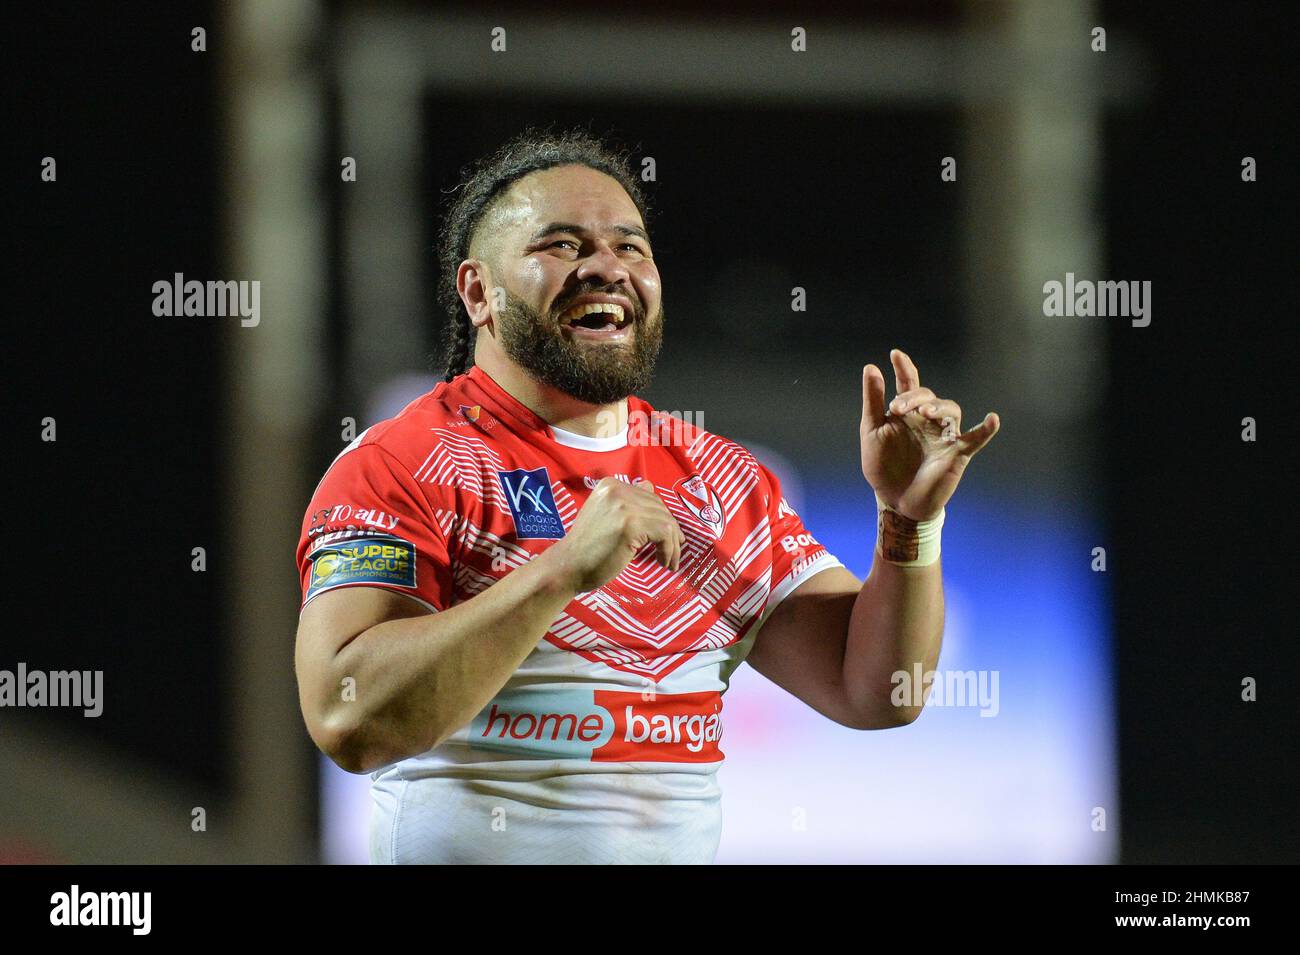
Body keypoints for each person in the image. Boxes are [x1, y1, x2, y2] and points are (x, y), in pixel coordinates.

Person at [293, 128, 1000, 864]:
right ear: (478, 292)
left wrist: (910, 521)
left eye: (630, 247)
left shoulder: (720, 481)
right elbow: (350, 718)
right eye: (562, 245)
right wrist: (562, 572)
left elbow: (879, 691)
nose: (606, 266)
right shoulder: (401, 463)